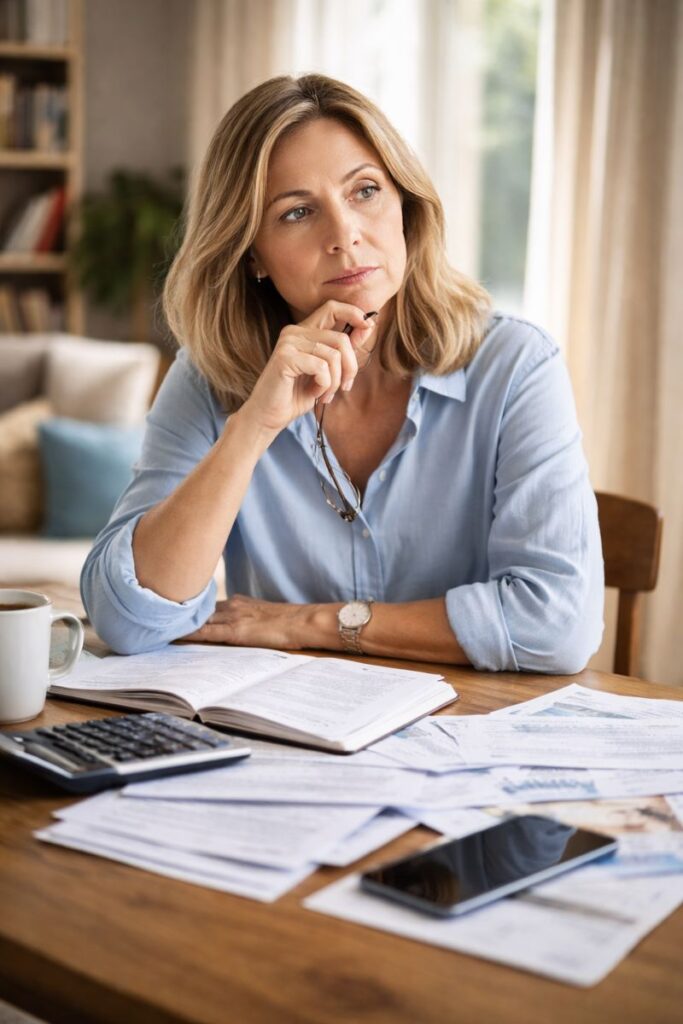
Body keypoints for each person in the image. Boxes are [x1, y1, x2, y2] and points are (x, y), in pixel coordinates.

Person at [81, 73, 604, 672]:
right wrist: (253, 427)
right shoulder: (209, 378)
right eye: (298, 212)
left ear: (405, 206)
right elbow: (127, 619)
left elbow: (557, 625)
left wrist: (309, 623)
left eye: (365, 191)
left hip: (474, 718)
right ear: (251, 254)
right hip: (289, 723)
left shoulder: (517, 367)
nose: (345, 235)